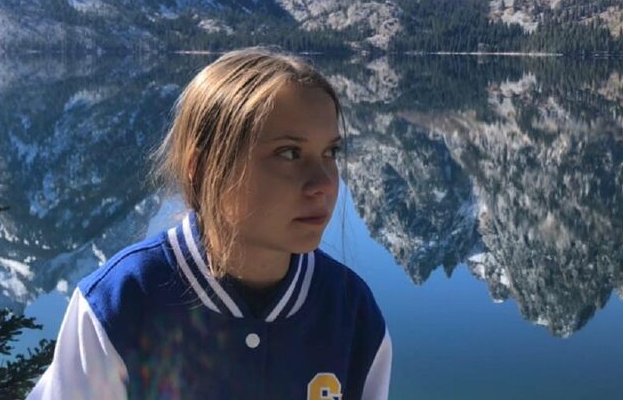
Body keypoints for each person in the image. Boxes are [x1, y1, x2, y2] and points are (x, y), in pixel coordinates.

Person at [27, 47, 392, 400]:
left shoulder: (351, 312)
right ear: (202, 169)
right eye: (289, 153)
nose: (323, 183)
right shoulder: (120, 303)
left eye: (330, 152)